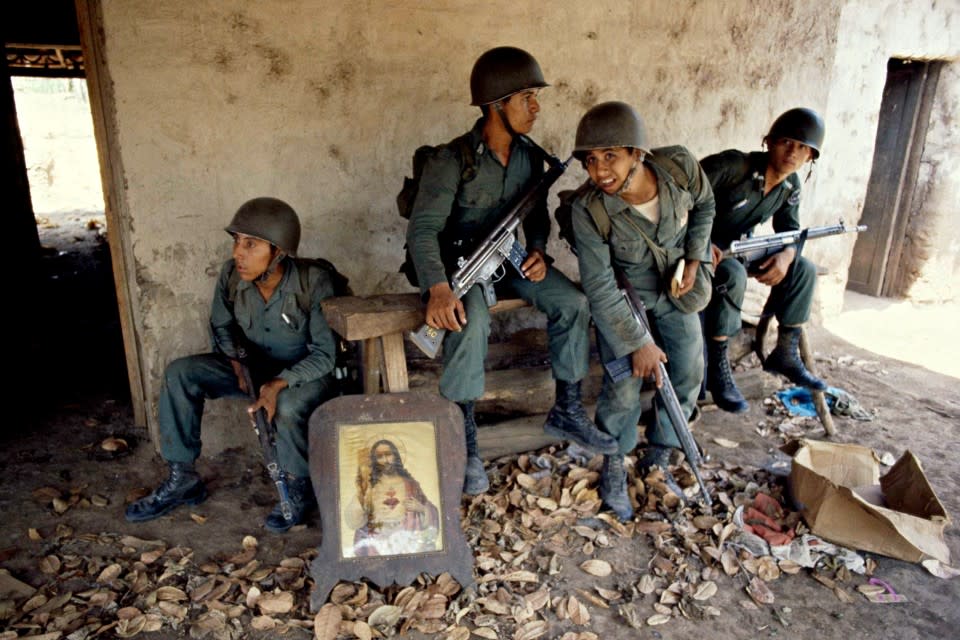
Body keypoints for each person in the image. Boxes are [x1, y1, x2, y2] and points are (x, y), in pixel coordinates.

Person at [405, 46, 618, 495]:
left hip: (507, 257)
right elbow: (422, 231)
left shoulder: (528, 156)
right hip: (458, 265)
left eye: (534, 97)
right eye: (526, 98)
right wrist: (439, 288)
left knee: (572, 302)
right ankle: (464, 441)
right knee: (470, 318)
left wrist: (538, 248)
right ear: (496, 105)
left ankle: (567, 408)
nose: (536, 108)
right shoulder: (451, 161)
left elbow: (535, 215)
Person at [124, 197, 339, 533]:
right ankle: (182, 478)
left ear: (278, 251)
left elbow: (326, 354)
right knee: (181, 374)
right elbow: (221, 325)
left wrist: (277, 383)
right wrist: (235, 364)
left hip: (305, 373)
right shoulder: (232, 276)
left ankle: (297, 487)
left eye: (250, 244)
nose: (238, 252)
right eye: (237, 241)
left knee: (287, 403)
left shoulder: (313, 282)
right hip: (250, 367)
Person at [564, 101, 715, 521]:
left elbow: (705, 206)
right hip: (624, 301)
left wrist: (697, 257)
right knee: (624, 386)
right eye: (591, 161)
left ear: (637, 153)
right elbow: (599, 286)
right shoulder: (589, 210)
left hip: (676, 291)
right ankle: (614, 460)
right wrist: (638, 342)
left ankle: (660, 453)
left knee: (687, 370)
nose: (599, 172)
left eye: (610, 156)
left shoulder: (680, 168)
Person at [700, 107, 827, 413]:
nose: (792, 152)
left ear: (810, 156)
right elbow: (680, 197)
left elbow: (791, 232)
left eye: (802, 148)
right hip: (697, 250)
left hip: (739, 248)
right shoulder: (734, 166)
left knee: (803, 268)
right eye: (786, 142)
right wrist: (700, 243)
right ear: (768, 141)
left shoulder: (789, 186)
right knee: (732, 274)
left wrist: (786, 255)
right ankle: (717, 366)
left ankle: (785, 350)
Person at [346, 439, 440, 557]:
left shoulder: (411, 485)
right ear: (375, 461)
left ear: (395, 456)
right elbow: (353, 522)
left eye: (388, 454)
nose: (385, 460)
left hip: (406, 540)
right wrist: (363, 496)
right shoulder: (369, 486)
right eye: (380, 456)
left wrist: (422, 509)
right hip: (376, 544)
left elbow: (432, 512)